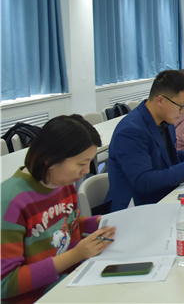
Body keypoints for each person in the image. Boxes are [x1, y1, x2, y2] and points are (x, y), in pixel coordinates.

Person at [1, 115, 117, 303]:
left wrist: (98, 223)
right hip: (39, 296)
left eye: (89, 162)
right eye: (81, 163)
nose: (86, 170)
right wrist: (75, 255)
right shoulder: (10, 201)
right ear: (50, 159)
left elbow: (67, 224)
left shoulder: (62, 184)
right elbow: (5, 284)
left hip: (71, 281)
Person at [106, 70, 184, 212]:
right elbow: (144, 182)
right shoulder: (131, 131)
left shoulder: (165, 120)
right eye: (181, 105)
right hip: (137, 209)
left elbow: (166, 156)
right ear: (160, 100)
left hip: (164, 195)